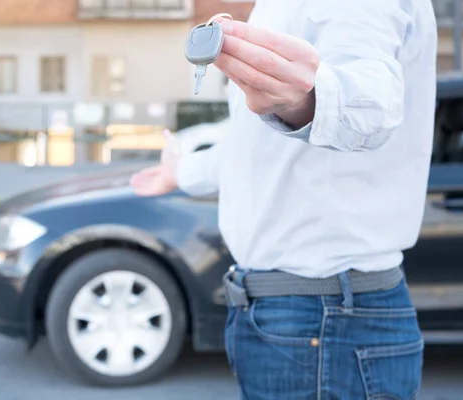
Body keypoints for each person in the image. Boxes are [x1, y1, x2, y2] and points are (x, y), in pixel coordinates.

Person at [130, 0, 438, 398]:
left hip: (323, 318)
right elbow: (259, 151)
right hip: (299, 315)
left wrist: (306, 101)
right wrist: (181, 172)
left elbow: (371, 100)